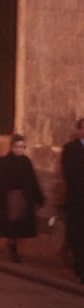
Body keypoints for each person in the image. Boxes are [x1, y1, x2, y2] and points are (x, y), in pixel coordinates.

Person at [0, 134, 44, 263]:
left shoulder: (26, 161)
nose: (20, 149)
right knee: (13, 222)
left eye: (22, 147)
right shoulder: (4, 162)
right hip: (10, 197)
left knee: (19, 223)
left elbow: (32, 180)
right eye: (17, 147)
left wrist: (38, 197)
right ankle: (12, 247)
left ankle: (13, 245)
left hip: (23, 197)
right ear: (11, 147)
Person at [62, 119, 84, 284]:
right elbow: (69, 174)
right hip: (77, 200)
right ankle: (80, 269)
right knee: (78, 235)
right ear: (79, 131)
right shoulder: (70, 149)